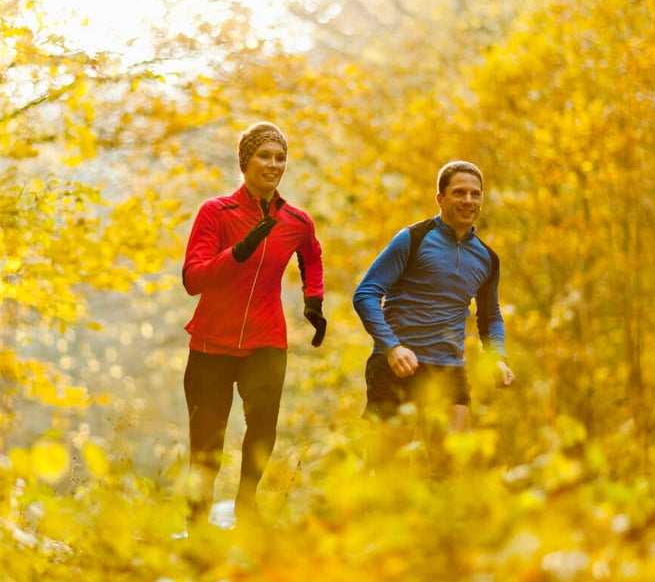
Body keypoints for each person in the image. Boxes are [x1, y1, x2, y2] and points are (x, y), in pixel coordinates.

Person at [181, 121, 326, 525]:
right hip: (211, 343)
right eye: (264, 155)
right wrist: (238, 252)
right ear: (245, 162)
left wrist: (313, 301)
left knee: (263, 427)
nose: (273, 164)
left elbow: (312, 256)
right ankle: (197, 519)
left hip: (266, 340)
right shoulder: (216, 212)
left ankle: (247, 505)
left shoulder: (297, 221)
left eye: (280, 157)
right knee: (206, 443)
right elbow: (193, 279)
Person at [353, 160, 514, 466]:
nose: (468, 200)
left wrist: (497, 357)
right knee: (390, 473)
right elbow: (366, 294)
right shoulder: (413, 239)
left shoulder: (487, 258)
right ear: (440, 198)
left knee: (454, 471)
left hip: (449, 371)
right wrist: (392, 347)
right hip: (396, 367)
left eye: (475, 194)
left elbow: (490, 316)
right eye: (459, 192)